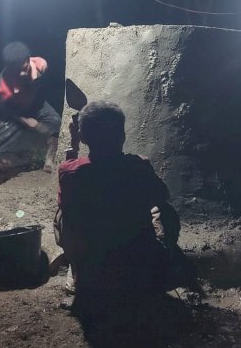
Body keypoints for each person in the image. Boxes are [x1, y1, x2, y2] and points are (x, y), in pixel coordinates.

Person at [53, 101, 195, 310]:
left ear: (83, 137)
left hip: (94, 272)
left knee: (63, 213)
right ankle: (164, 265)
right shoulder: (139, 166)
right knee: (163, 210)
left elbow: (69, 198)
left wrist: (73, 144)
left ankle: (78, 273)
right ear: (122, 136)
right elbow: (162, 195)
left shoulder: (70, 172)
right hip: (136, 270)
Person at [0, 41, 61, 206]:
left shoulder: (40, 64)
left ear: (28, 59)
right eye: (16, 69)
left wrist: (33, 78)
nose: (20, 72)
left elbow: (41, 79)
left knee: (55, 121)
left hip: (35, 103)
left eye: (22, 67)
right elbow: (3, 108)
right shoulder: (4, 85)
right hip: (11, 110)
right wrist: (27, 122)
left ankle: (49, 161)